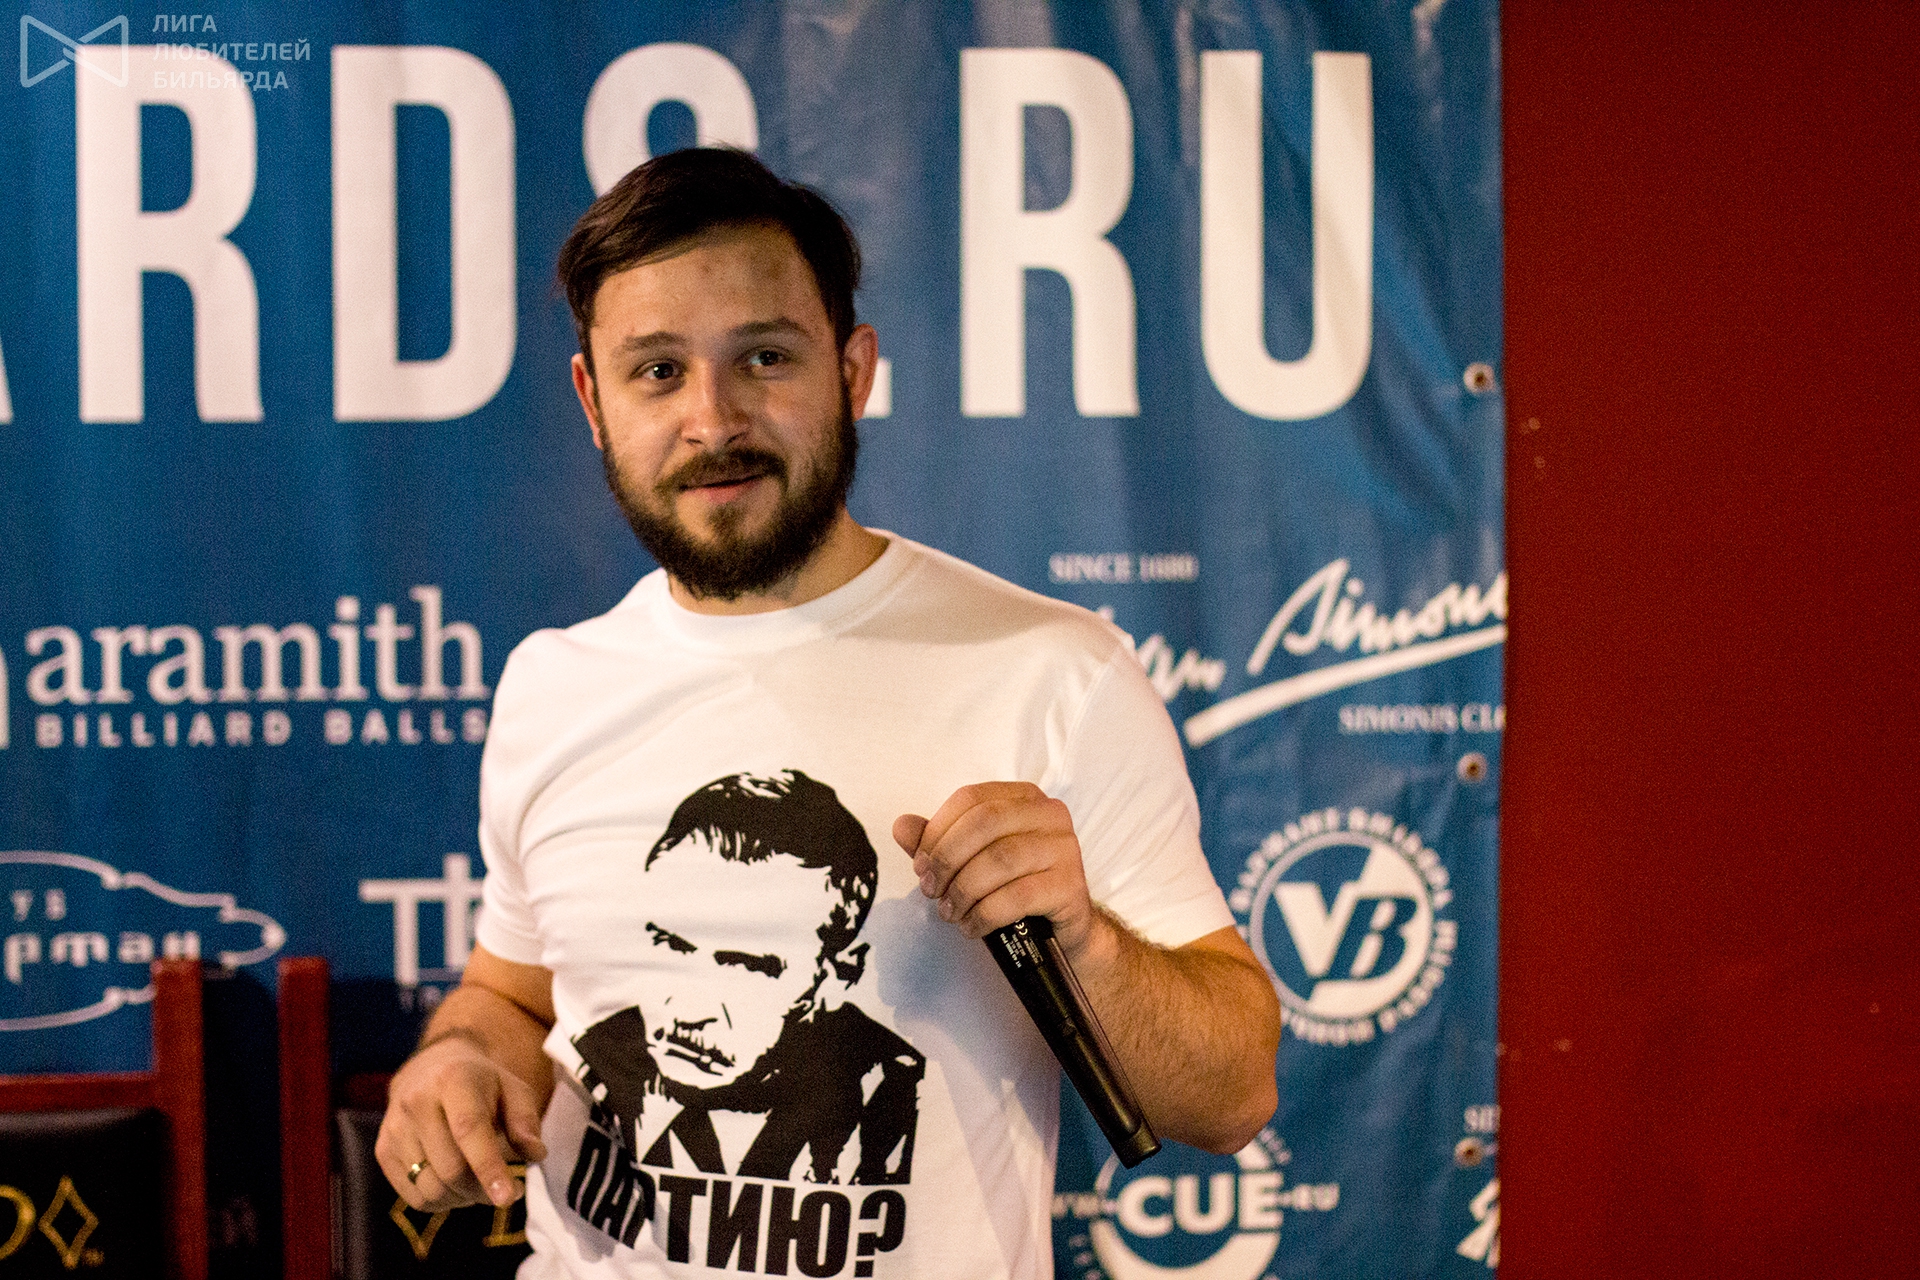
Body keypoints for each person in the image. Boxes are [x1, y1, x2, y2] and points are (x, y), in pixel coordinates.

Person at [376, 146, 1280, 1279]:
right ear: (593, 402)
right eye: (657, 371)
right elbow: (510, 992)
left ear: (853, 372)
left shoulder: (1050, 672)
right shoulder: (552, 684)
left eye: (764, 356)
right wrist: (459, 1057)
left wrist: (1085, 941)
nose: (712, 419)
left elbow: (1231, 1097)